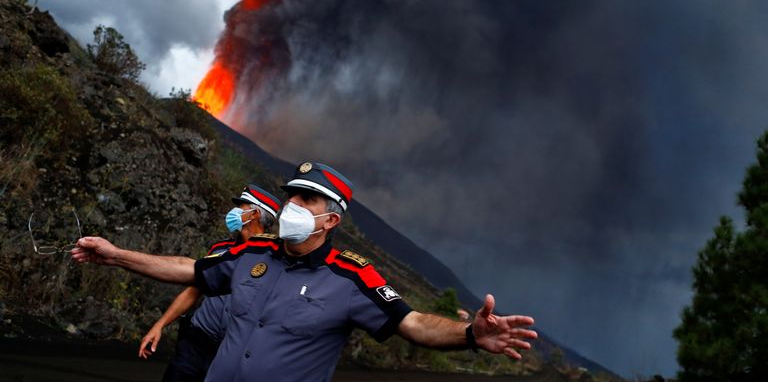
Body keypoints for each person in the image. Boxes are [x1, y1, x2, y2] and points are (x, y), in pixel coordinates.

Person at [73, 161, 537, 382]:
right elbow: (191, 270)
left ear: (331, 219)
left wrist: (470, 335)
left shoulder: (353, 275)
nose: (291, 205)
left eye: (306, 199)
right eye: (291, 195)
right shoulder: (252, 254)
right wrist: (116, 255)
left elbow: (411, 323)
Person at [139, 184, 281, 382]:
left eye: (242, 207)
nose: (234, 212)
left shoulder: (275, 259)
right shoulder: (220, 248)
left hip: (230, 352)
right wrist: (160, 325)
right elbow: (194, 290)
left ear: (254, 214)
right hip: (196, 342)